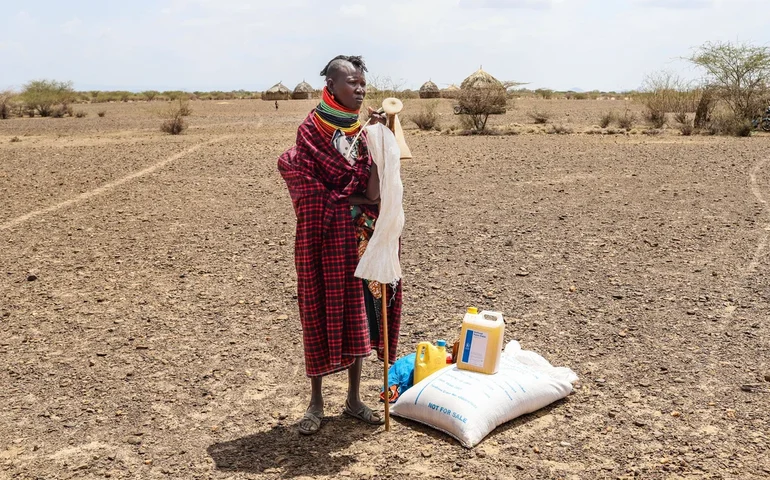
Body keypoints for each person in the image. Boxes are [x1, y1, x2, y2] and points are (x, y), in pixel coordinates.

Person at [277, 55, 402, 435]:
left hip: (362, 238)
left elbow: (373, 190)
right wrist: (341, 201)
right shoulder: (311, 130)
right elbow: (299, 176)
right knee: (319, 308)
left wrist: (381, 143)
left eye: (363, 82)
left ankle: (353, 400)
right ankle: (315, 402)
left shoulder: (364, 131)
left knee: (360, 313)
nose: (360, 88)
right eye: (351, 81)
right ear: (330, 85)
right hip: (323, 236)